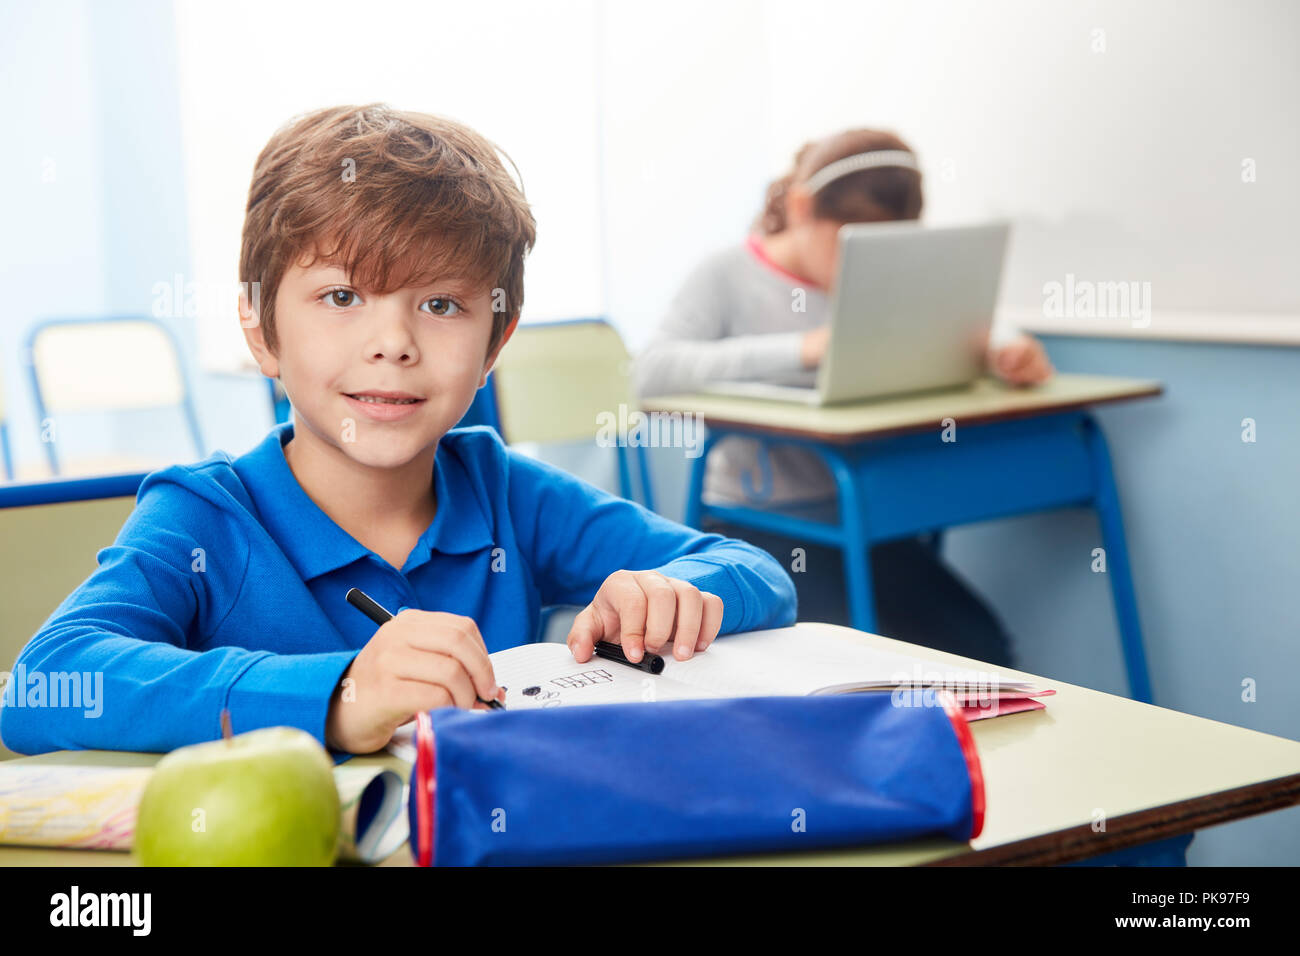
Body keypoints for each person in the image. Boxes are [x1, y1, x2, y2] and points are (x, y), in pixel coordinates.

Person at [0, 104, 795, 758]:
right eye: (342, 297)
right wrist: (339, 695)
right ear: (258, 326)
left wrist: (677, 595)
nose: (395, 343)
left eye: (442, 305)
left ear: (496, 345)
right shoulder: (205, 517)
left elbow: (758, 572)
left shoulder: (504, 491)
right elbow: (45, 682)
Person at [635, 128, 1054, 667]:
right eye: (851, 244)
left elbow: (963, 311)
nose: (866, 266)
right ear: (802, 207)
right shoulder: (725, 273)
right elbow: (653, 372)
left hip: (863, 513)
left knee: (978, 649)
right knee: (844, 663)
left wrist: (1008, 344)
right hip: (759, 521)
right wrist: (803, 348)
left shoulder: (890, 276)